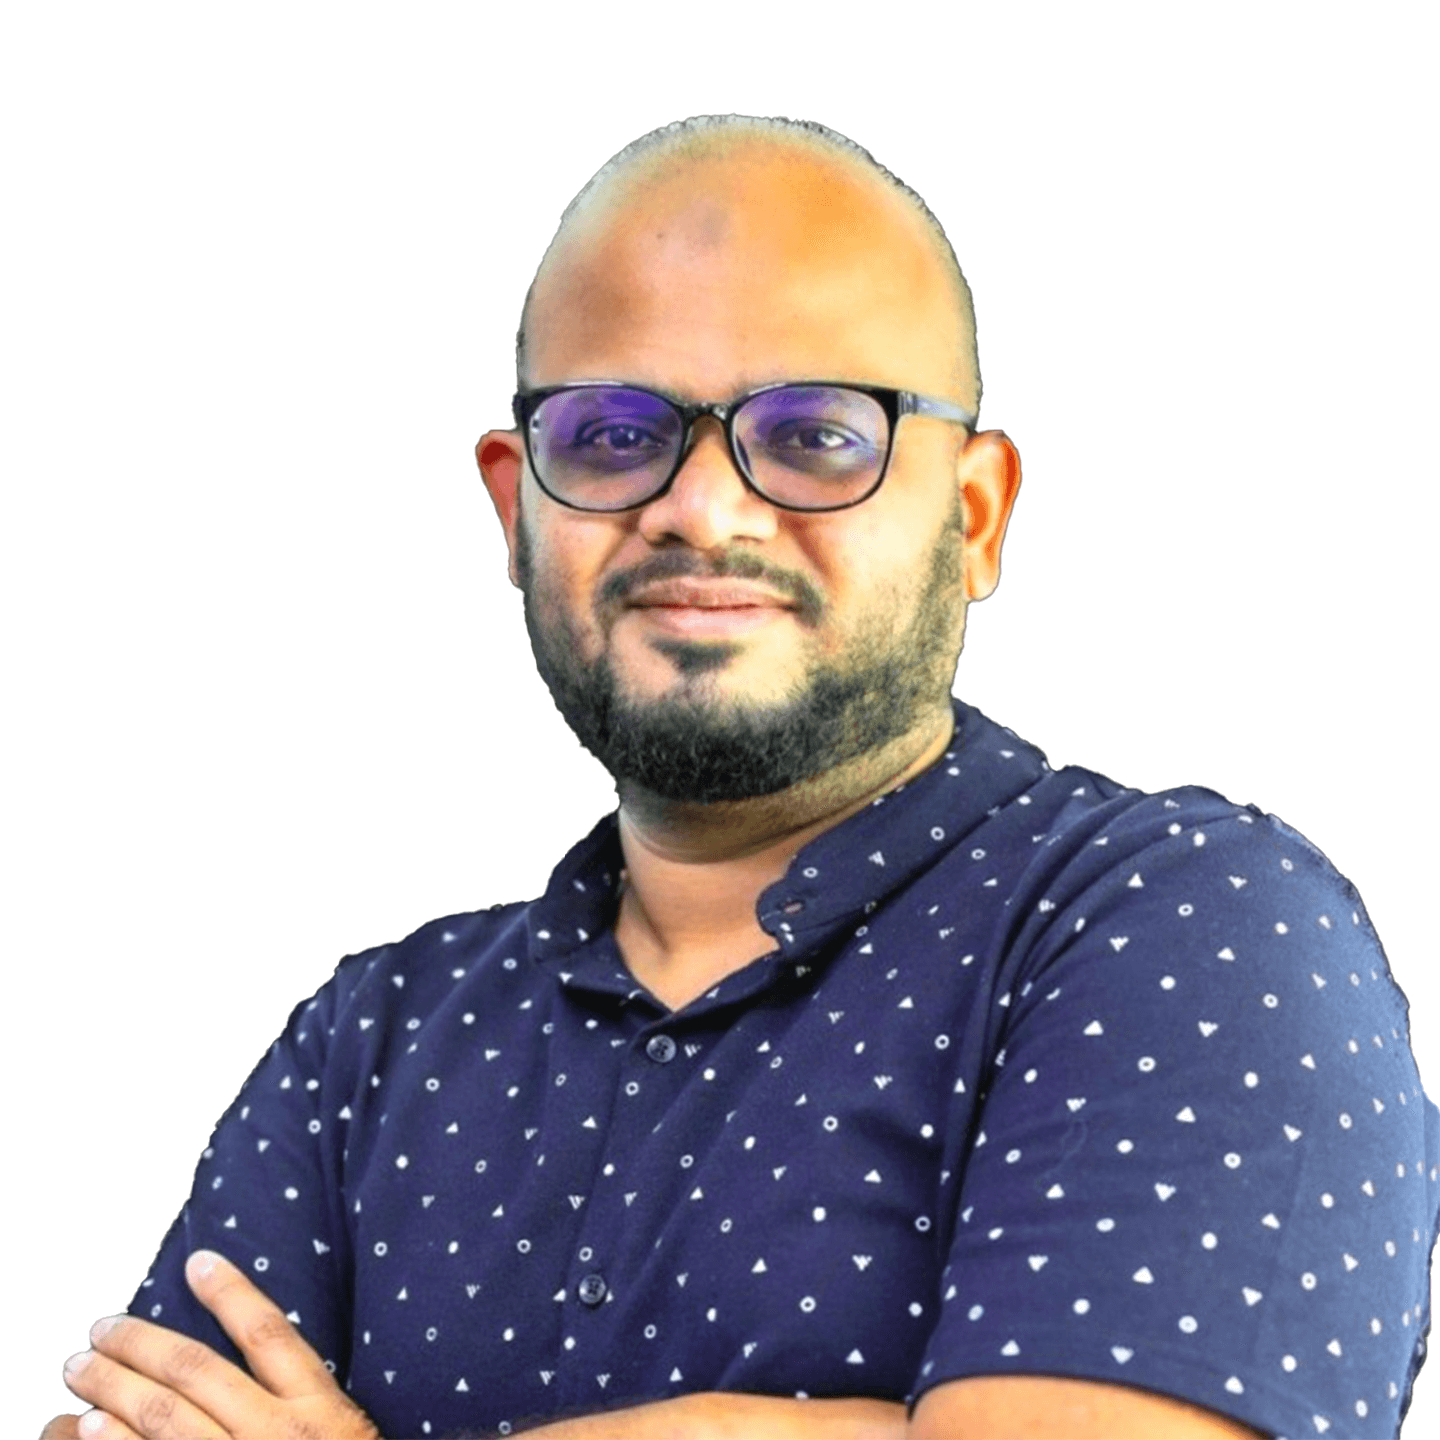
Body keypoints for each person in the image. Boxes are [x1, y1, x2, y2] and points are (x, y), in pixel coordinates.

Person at [47, 114, 1439, 1440]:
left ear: (974, 517)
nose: (703, 508)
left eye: (817, 435)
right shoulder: (369, 1047)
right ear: (514, 509)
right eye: (611, 434)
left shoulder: (1187, 928)